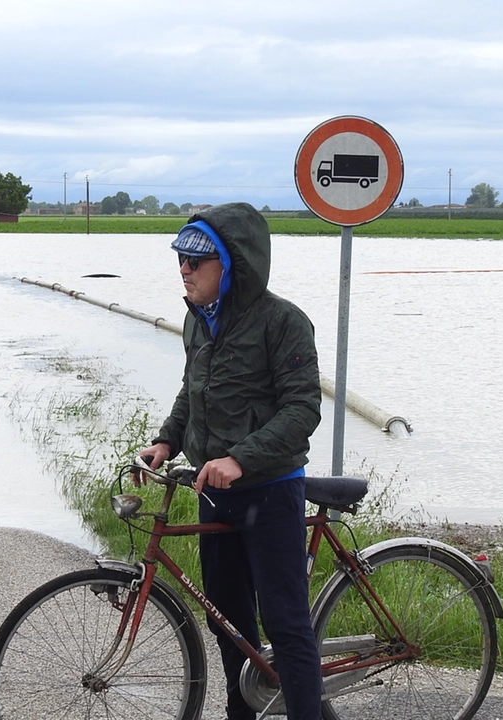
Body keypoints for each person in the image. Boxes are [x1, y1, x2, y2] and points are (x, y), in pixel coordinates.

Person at [137, 202, 323, 720]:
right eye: (180, 259)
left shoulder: (282, 322)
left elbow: (303, 408)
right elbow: (191, 389)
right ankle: (240, 713)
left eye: (196, 261)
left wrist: (240, 457)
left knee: (285, 623)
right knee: (227, 620)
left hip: (270, 490)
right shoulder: (197, 320)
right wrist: (167, 441)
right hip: (213, 491)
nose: (184, 270)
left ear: (232, 264)